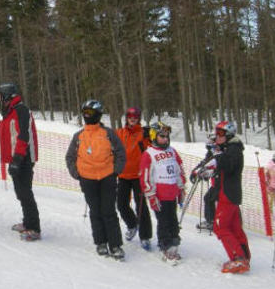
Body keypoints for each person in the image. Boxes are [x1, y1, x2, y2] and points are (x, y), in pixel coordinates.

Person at [66, 100, 126, 260]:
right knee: (96, 211)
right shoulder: (78, 136)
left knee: (109, 211)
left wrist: (116, 170)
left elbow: (121, 152)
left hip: (107, 177)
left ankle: (115, 244)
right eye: (84, 112)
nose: (87, 116)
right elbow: (70, 156)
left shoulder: (108, 133)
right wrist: (76, 172)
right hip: (87, 179)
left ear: (98, 114)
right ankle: (100, 242)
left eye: (90, 113)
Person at [0, 83, 41, 241]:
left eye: (0, 96)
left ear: (8, 96)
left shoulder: (21, 110)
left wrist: (17, 159)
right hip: (17, 157)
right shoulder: (10, 111)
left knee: (25, 192)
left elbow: (23, 135)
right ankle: (27, 222)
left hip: (24, 157)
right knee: (20, 192)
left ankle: (34, 228)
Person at [140, 122, 186, 264]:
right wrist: (151, 196)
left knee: (173, 220)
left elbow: (179, 170)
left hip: (172, 193)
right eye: (162, 136)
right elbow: (145, 177)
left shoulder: (172, 151)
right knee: (163, 221)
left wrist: (181, 189)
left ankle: (174, 244)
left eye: (167, 136)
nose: (165, 139)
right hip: (160, 195)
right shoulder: (149, 154)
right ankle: (165, 246)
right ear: (154, 136)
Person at [211, 121, 251, 274]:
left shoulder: (233, 150)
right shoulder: (229, 148)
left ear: (228, 135)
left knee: (220, 227)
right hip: (229, 193)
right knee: (234, 227)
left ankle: (238, 259)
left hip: (228, 194)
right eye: (216, 133)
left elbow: (228, 166)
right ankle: (244, 256)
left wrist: (218, 155)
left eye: (220, 134)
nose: (217, 136)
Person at [115, 106, 152, 250]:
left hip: (139, 175)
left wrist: (151, 135)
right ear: (126, 117)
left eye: (135, 116)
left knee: (141, 206)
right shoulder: (120, 133)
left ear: (139, 118)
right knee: (121, 204)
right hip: (123, 175)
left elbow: (155, 146)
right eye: (130, 116)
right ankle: (132, 225)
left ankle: (145, 236)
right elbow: (110, 145)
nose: (132, 118)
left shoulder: (143, 133)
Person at [191, 134, 220, 232]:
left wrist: (206, 172)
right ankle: (210, 220)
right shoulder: (211, 152)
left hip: (223, 183)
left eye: (211, 141)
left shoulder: (220, 152)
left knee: (213, 199)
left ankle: (212, 221)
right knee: (209, 198)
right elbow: (205, 162)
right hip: (216, 182)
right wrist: (196, 171)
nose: (209, 143)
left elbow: (211, 164)